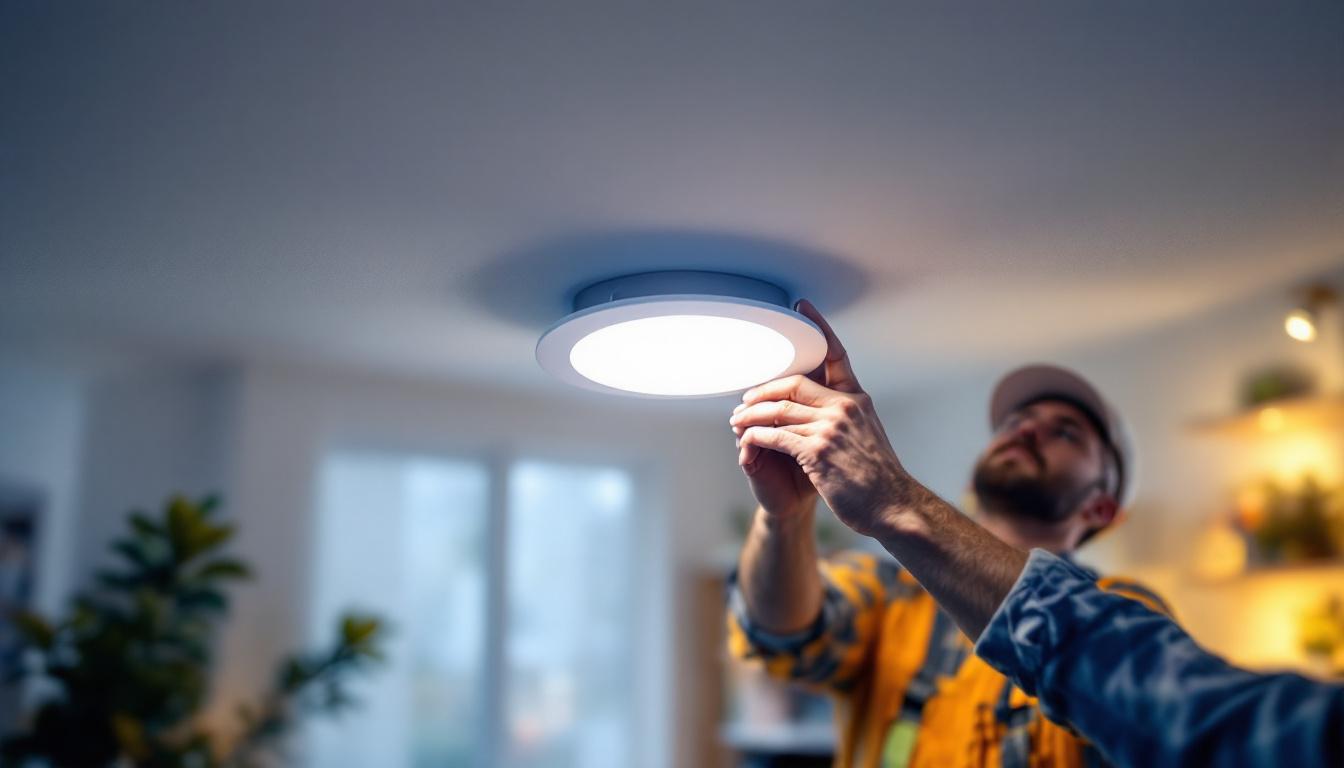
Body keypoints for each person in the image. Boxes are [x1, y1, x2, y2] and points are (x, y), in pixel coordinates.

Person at [728, 299, 1343, 767]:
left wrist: (895, 497)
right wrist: (785, 517)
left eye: (1065, 432)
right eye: (1017, 421)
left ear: (1102, 508)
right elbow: (784, 638)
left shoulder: (1122, 609)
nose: (1027, 430)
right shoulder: (890, 596)